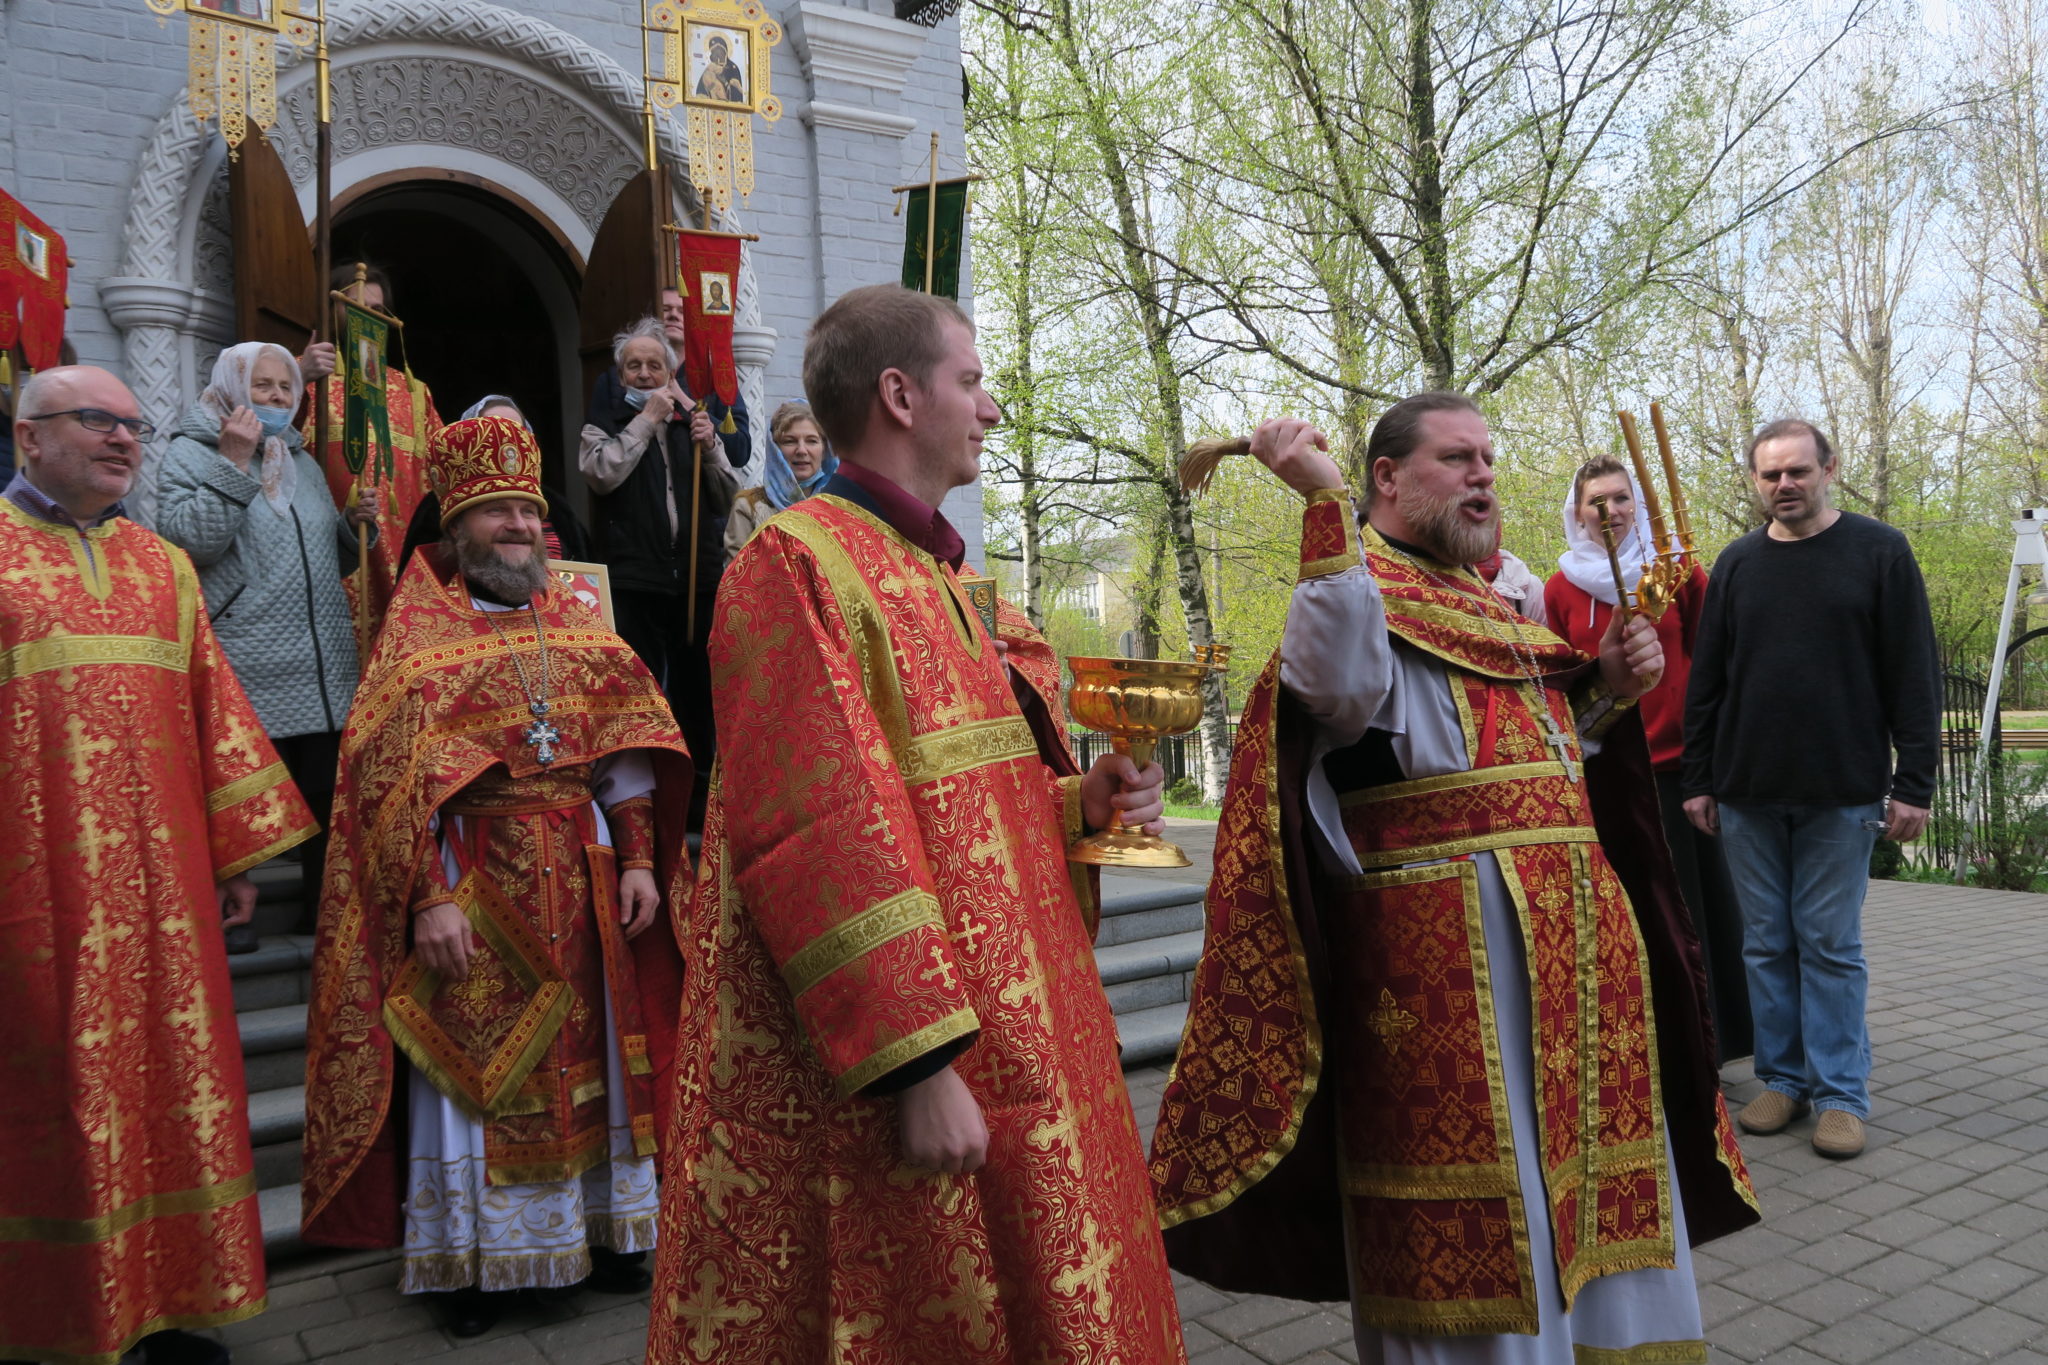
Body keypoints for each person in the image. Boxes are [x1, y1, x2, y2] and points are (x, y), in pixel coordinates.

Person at [1149, 395, 1759, 1363]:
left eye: (1487, 458)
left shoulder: (1491, 602)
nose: (1482, 474)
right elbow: (1336, 689)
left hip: (1574, 951)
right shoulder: (1358, 590)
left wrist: (1604, 689)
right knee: (1488, 1203)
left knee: (1590, 1181)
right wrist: (1321, 507)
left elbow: (1531, 759)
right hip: (1447, 958)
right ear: (1386, 478)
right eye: (1455, 458)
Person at [644, 285, 1186, 1363]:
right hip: (912, 1062)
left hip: (1027, 1039)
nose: (990, 408)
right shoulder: (795, 564)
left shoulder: (943, 573)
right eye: (970, 382)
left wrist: (1073, 804)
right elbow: (817, 827)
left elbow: (960, 804)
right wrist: (918, 1066)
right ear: (899, 395)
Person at [298, 416, 693, 1337]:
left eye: (526, 509)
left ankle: (604, 1233)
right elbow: (388, 788)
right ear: (456, 525)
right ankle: (477, 1266)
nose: (517, 525)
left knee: (599, 1064)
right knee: (477, 1070)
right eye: (495, 511)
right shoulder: (414, 639)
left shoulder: (581, 626)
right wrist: (427, 900)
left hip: (586, 878)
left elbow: (627, 751)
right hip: (474, 880)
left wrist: (641, 860)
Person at [1, 367, 317, 1365]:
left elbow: (210, 708)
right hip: (35, 905)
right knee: (55, 1108)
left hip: (167, 903)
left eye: (134, 423)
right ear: (28, 437)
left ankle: (169, 1308)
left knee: (171, 1098)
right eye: (96, 420)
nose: (124, 438)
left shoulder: (160, 565)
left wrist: (236, 853)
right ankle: (56, 1326)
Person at [1682, 418, 1939, 1160]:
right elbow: (1708, 681)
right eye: (1771, 474)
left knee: (1828, 944)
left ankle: (1839, 1095)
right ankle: (1783, 1078)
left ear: (1830, 468)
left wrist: (1914, 784)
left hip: (1842, 791)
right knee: (1765, 944)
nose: (1784, 484)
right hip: (1747, 792)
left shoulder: (1880, 552)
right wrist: (1700, 778)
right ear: (1755, 482)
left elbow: (1914, 676)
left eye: (1797, 470)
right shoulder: (1736, 564)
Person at [157, 342, 374, 948]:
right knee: (240, 793)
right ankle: (234, 915)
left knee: (326, 797)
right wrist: (233, 461)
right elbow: (188, 543)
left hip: (322, 664)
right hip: (246, 656)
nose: (277, 397)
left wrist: (354, 529)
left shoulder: (300, 460)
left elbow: (325, 562)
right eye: (262, 385)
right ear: (232, 386)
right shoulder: (191, 451)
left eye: (285, 387)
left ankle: (322, 914)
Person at [1544, 455, 1752, 1061]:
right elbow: (1558, 679)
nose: (1608, 511)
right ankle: (1641, 1048)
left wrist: (1713, 763)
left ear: (1636, 504)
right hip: (1603, 771)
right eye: (1596, 501)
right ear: (1578, 513)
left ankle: (1709, 1048)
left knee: (1695, 912)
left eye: (1619, 498)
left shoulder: (1677, 572)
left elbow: (1716, 665)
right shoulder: (1559, 588)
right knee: (1626, 913)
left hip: (1678, 771)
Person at [579, 318, 737, 787]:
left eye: (655, 365)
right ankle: (641, 793)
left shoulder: (691, 421)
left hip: (694, 580)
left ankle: (700, 794)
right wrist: (646, 421)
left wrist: (711, 446)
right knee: (638, 692)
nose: (645, 374)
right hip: (636, 579)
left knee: (696, 695)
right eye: (634, 366)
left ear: (670, 374)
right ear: (620, 374)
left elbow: (729, 496)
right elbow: (601, 473)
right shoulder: (605, 421)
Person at [300, 261, 444, 639]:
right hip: (333, 558)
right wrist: (299, 377)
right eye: (356, 306)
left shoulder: (413, 391)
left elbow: (442, 473)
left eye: (378, 310)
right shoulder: (303, 378)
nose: (368, 318)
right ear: (331, 307)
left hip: (402, 557)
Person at [722, 398, 837, 557]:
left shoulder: (839, 509)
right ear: (775, 450)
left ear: (824, 450)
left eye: (811, 441)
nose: (801, 450)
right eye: (790, 441)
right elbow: (737, 570)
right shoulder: (749, 507)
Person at [695, 34, 745, 101]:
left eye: (720, 52)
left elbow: (737, 92)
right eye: (714, 52)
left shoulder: (733, 68)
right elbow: (701, 90)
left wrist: (734, 86)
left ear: (725, 52)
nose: (717, 56)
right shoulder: (709, 68)